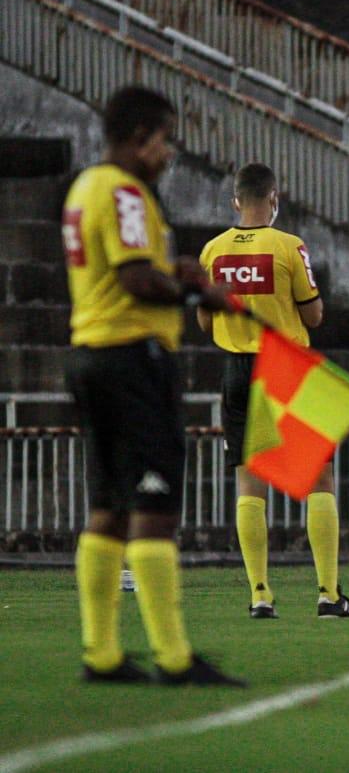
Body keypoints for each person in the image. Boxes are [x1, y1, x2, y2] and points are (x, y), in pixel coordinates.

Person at [64, 85, 243, 685]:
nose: (169, 153)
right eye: (165, 140)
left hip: (93, 352)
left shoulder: (86, 187)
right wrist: (200, 291)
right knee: (154, 505)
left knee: (108, 507)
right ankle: (172, 657)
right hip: (133, 358)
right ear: (141, 138)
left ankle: (103, 653)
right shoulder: (125, 190)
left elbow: (130, 271)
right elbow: (137, 280)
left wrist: (176, 272)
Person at [196, 163, 349, 619]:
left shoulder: (213, 251)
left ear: (236, 200)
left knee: (249, 480)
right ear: (274, 198)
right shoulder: (289, 246)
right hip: (285, 366)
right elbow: (313, 317)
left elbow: (203, 319)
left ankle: (260, 594)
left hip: (236, 368)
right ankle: (329, 593)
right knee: (318, 478)